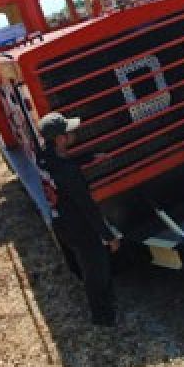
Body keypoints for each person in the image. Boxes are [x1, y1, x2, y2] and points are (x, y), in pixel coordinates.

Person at [37, 112, 120, 327]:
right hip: (80, 227)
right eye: (68, 132)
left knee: (79, 263)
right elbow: (87, 208)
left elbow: (65, 161)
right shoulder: (68, 174)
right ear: (60, 139)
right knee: (97, 270)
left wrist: (90, 157)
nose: (72, 134)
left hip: (60, 223)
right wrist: (108, 236)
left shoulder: (45, 157)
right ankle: (103, 317)